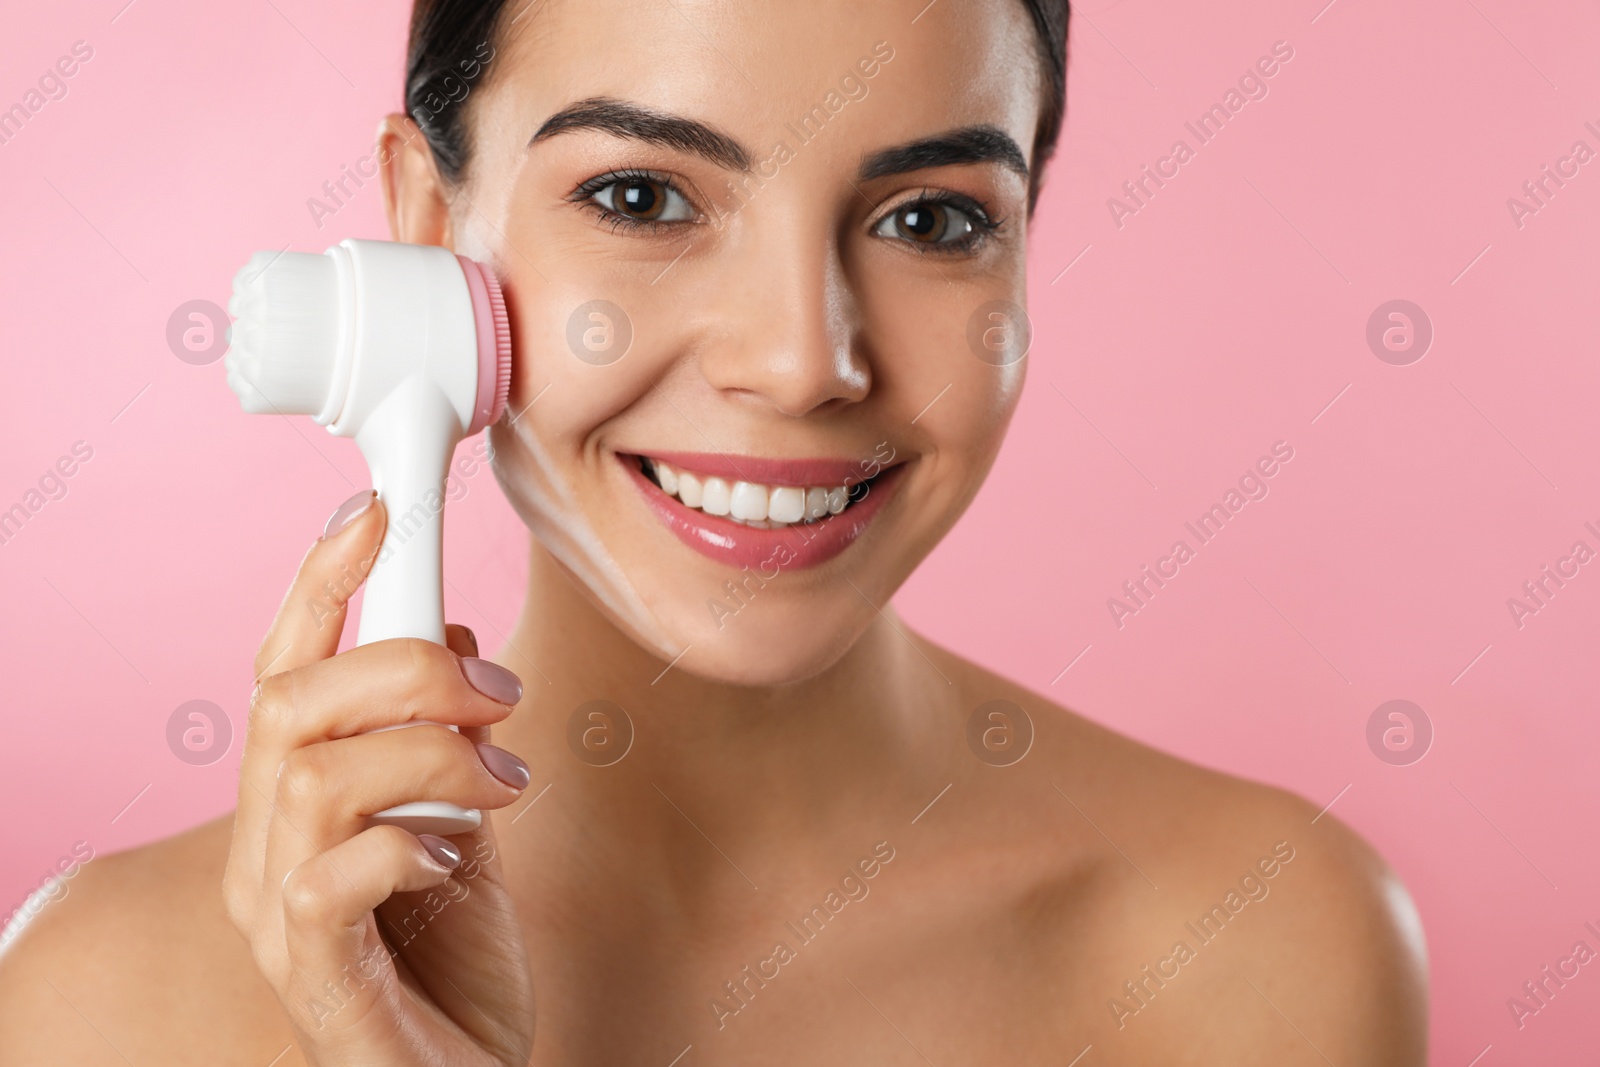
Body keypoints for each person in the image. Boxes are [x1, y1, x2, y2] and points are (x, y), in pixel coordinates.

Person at [0, 0, 1428, 1062]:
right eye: (640, 196)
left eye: (932, 220)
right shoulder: (102, 1007)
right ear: (428, 234)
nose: (804, 359)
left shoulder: (1263, 953)